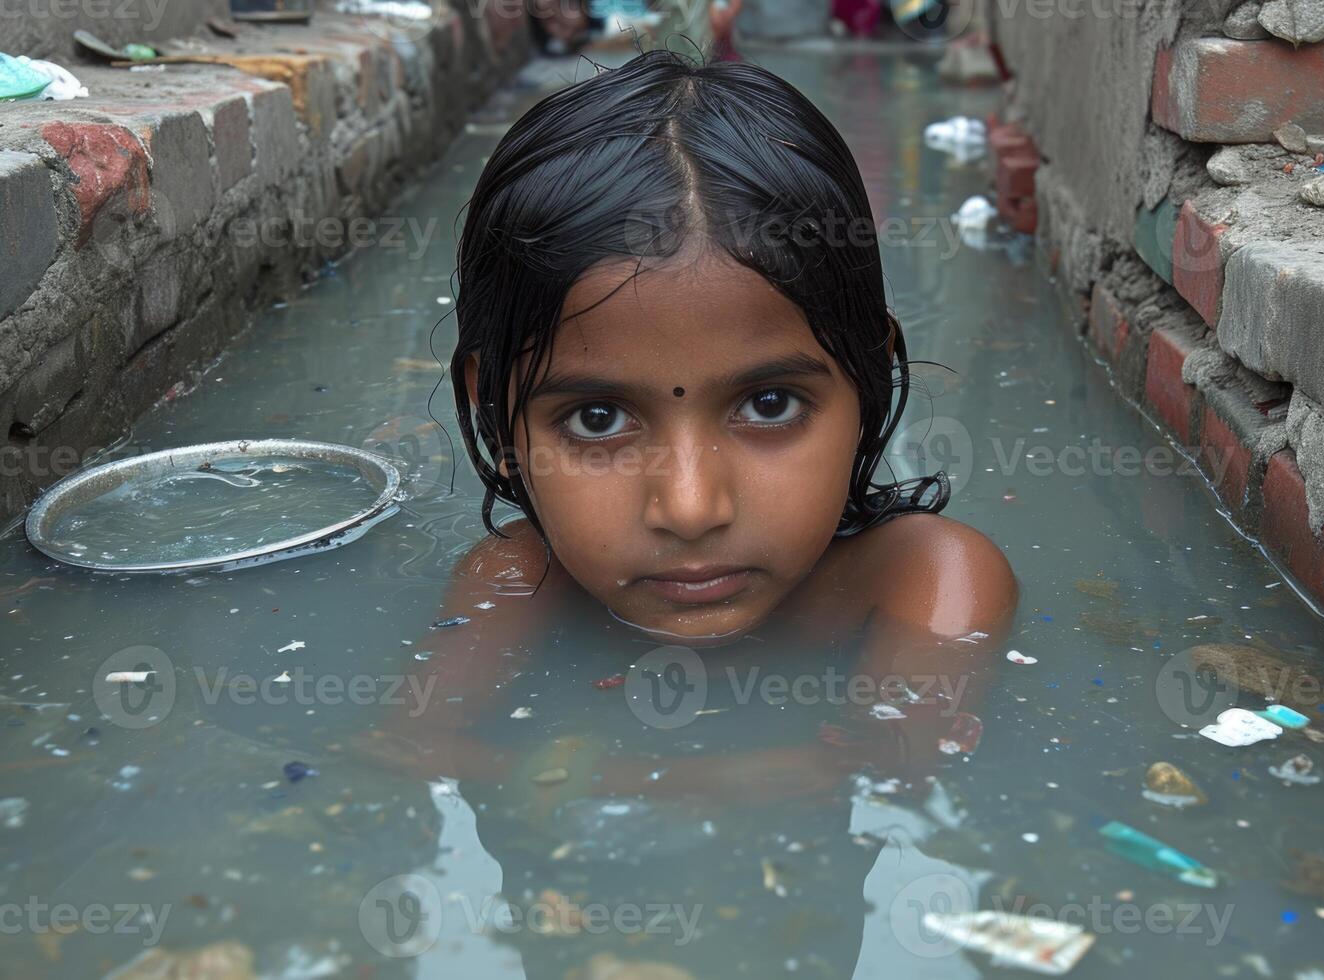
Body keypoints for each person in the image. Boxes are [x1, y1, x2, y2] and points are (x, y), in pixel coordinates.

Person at [356, 47, 1017, 976]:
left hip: (799, 927)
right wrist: (705, 785)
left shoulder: (929, 581)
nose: (691, 506)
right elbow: (405, 742)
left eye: (770, 404)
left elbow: (888, 766)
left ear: (869, 380)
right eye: (597, 418)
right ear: (491, 411)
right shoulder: (523, 577)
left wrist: (580, 782)